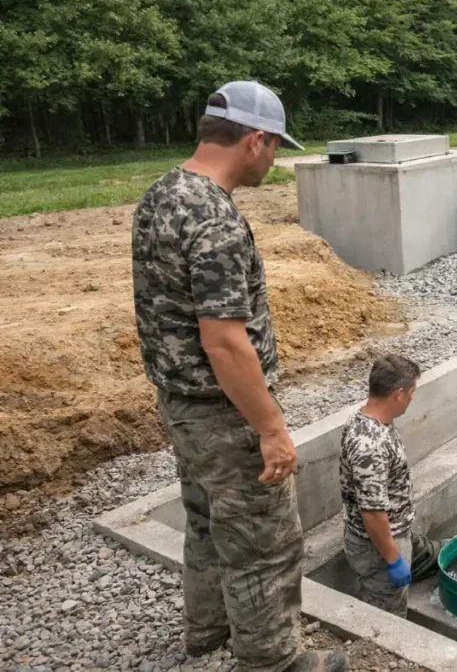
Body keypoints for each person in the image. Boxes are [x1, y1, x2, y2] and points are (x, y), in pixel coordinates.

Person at [132, 80, 346, 672]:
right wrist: (271, 427)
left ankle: (207, 632)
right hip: (225, 414)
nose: (274, 160)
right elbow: (225, 341)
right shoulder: (217, 220)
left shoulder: (161, 195)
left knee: (206, 522)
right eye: (275, 147)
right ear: (253, 140)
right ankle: (274, 661)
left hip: (180, 404)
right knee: (265, 542)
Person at [338, 354, 443, 617]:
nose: (412, 398)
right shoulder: (370, 446)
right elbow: (372, 513)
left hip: (397, 532)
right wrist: (394, 559)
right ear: (397, 394)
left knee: (439, 554)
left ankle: (427, 555)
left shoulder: (369, 420)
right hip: (378, 549)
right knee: (387, 618)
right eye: (411, 392)